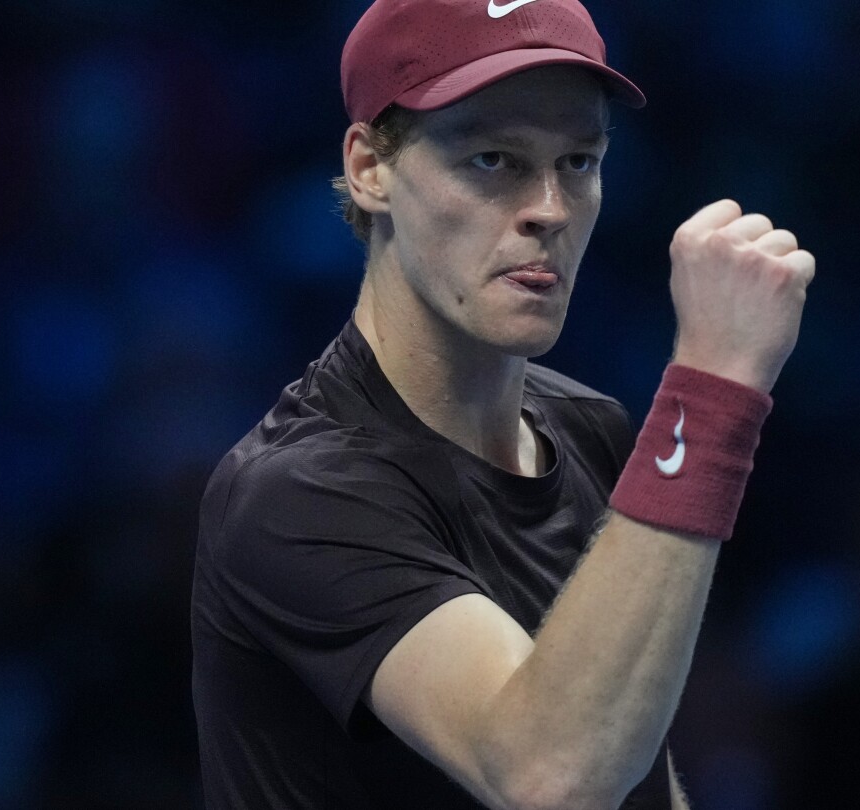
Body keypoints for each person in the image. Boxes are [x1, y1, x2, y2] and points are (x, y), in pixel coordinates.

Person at [190, 0, 815, 807]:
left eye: (580, 162)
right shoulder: (294, 492)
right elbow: (551, 775)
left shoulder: (594, 430)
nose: (549, 209)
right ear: (372, 167)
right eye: (493, 159)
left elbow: (633, 771)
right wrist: (715, 382)